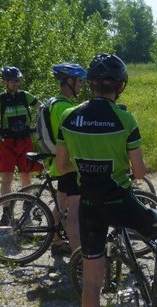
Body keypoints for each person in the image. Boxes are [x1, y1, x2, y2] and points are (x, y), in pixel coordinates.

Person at [55, 54, 157, 307]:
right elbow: (139, 172)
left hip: (90, 206)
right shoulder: (125, 120)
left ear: (90, 84)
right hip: (122, 202)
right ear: (120, 86)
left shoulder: (70, 118)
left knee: (92, 282)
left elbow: (61, 165)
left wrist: (86, 162)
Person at [0, 66, 40, 225]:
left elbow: (44, 109)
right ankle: (6, 212)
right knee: (7, 178)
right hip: (8, 143)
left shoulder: (26, 96)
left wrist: (38, 127)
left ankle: (27, 205)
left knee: (26, 174)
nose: (16, 83)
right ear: (5, 82)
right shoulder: (1, 99)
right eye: (12, 81)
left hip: (25, 141)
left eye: (17, 80)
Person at [46, 63, 87, 256]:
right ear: (69, 81)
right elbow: (70, 139)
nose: (81, 85)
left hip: (60, 164)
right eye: (79, 81)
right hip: (69, 165)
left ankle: (56, 242)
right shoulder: (64, 108)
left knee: (61, 206)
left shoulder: (56, 103)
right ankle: (78, 252)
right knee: (74, 212)